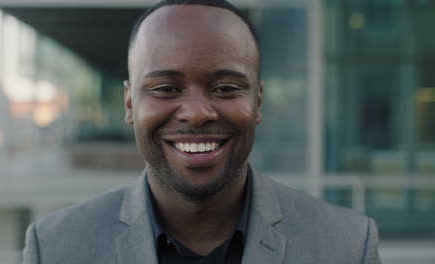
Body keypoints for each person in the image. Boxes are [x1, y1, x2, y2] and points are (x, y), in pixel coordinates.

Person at [23, 0, 381, 263]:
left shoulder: (348, 246)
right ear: (130, 104)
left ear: (258, 103)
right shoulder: (55, 248)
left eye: (225, 88)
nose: (196, 114)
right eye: (165, 88)